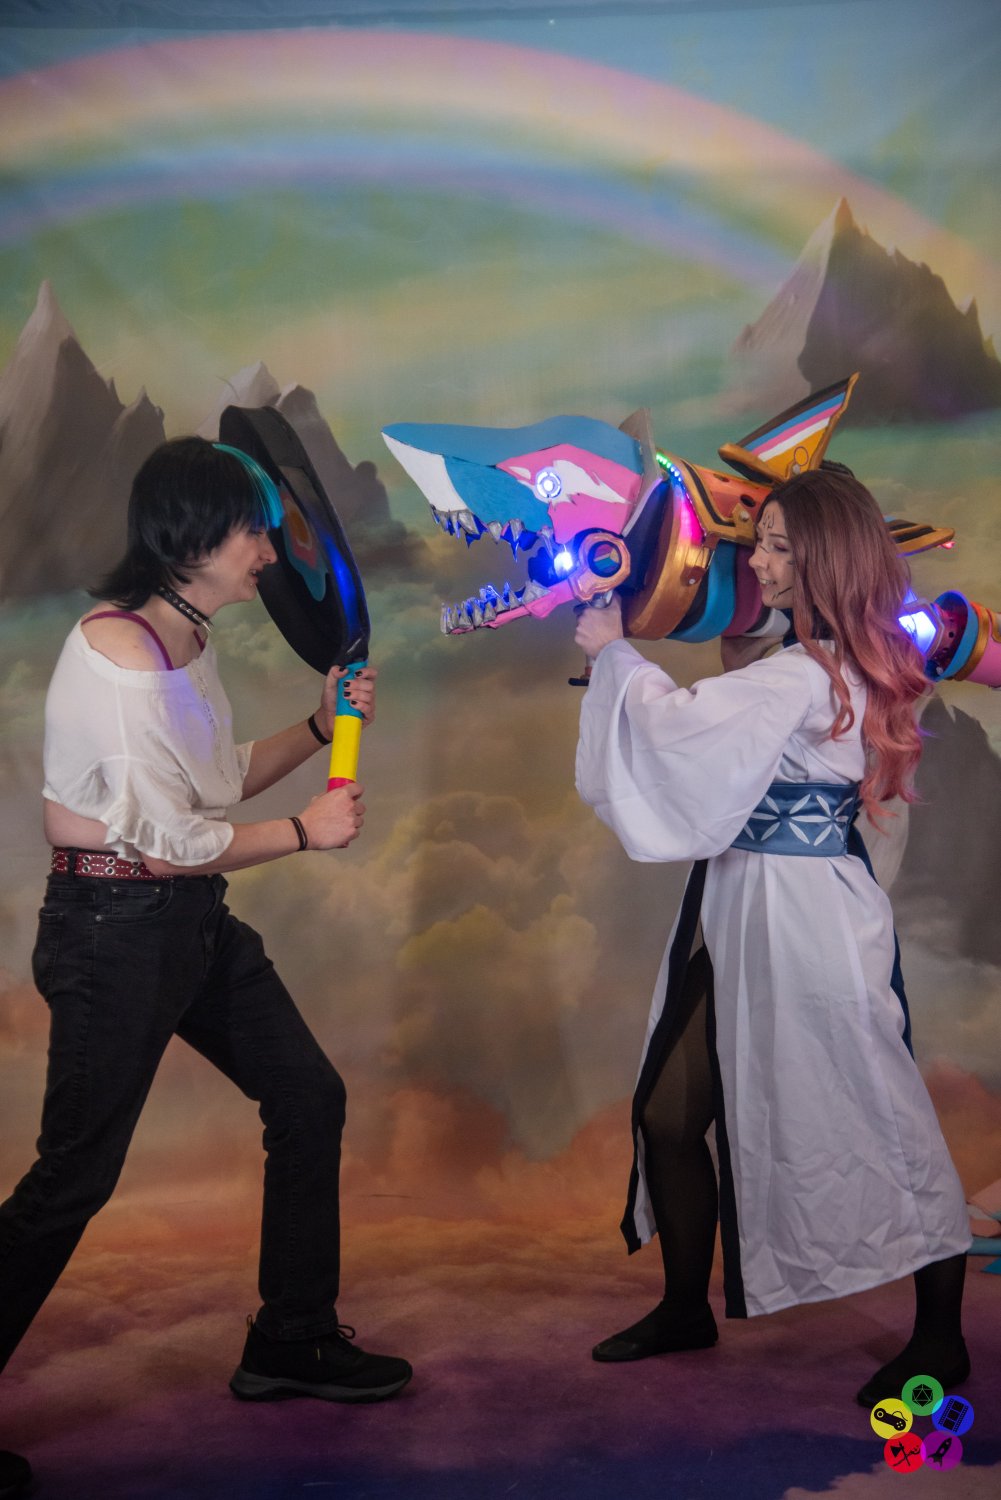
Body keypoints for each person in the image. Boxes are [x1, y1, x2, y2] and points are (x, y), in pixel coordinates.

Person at [0, 438, 411, 1490]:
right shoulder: (123, 658)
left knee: (306, 1097)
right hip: (113, 928)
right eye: (252, 532)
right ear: (191, 540)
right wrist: (307, 833)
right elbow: (160, 843)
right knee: (73, 1177)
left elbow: (212, 782)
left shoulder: (184, 639)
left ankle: (290, 1339)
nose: (269, 552)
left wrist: (320, 725)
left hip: (183, 918)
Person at [573, 467, 971, 1406]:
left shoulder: (804, 673)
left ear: (825, 561)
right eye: (761, 541)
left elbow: (678, 726)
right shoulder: (809, 664)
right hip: (738, 903)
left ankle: (942, 1338)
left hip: (802, 917)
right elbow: (728, 732)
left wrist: (612, 650)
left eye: (781, 547)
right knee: (670, 1113)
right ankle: (684, 1306)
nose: (757, 561)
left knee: (881, 1113)